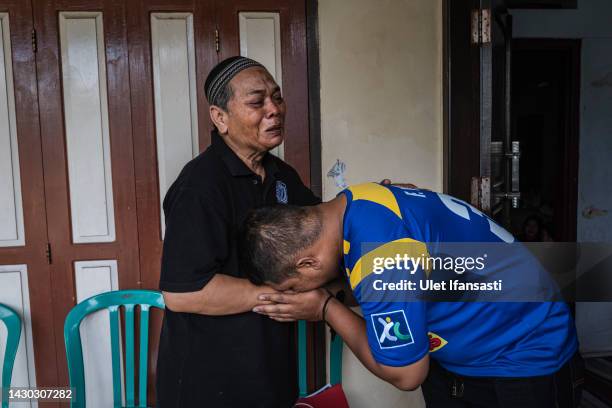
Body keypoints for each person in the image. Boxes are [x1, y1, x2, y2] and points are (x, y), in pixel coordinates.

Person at [241, 182, 582, 407]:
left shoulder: (383, 259)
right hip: (475, 352)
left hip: (525, 356)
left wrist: (325, 308)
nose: (301, 293)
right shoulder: (358, 200)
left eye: (292, 288)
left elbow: (407, 374)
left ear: (307, 263)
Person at [155, 56, 321, 407]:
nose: (274, 109)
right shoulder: (199, 187)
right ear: (220, 118)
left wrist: (369, 202)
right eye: (256, 101)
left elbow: (320, 226)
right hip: (210, 382)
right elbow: (184, 293)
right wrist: (286, 298)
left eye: (277, 97)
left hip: (269, 372)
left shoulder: (281, 176)